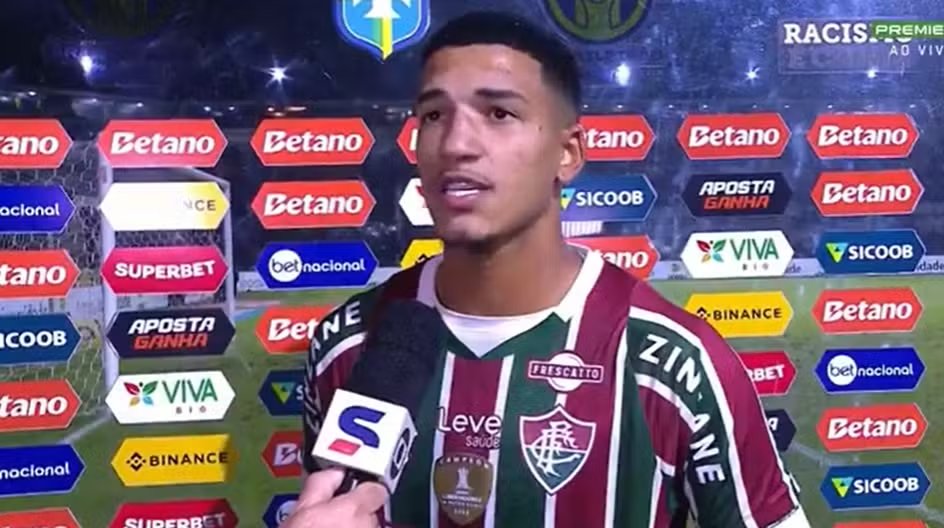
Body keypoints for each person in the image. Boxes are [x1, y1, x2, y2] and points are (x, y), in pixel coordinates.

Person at [294, 10, 811, 528]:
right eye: (433, 115)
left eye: (498, 113)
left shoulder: (673, 364)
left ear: (567, 154)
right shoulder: (350, 344)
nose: (455, 144)